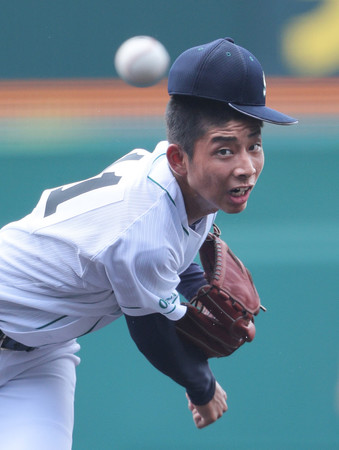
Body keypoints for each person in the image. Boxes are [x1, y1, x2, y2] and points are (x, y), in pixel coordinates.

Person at [0, 37, 297, 449]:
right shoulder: (144, 226)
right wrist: (201, 386)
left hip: (41, 354)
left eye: (255, 145)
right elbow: (150, 329)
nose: (246, 167)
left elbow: (178, 258)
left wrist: (196, 291)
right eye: (226, 150)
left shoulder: (183, 177)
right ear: (180, 157)